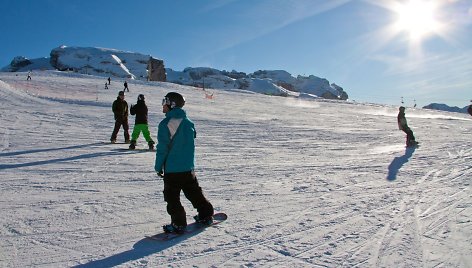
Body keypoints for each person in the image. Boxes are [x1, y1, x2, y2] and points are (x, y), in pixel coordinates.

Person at [154, 92, 214, 234]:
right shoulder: (189, 122)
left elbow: (162, 148)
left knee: (172, 197)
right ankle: (206, 214)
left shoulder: (166, 124)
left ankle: (178, 223)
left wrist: (158, 166)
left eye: (165, 101)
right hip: (188, 168)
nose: (163, 104)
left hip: (173, 170)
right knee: (194, 193)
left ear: (172, 104)